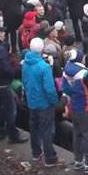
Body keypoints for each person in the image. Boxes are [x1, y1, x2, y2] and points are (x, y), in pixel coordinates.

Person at [21, 37, 60, 167]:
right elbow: (49, 88)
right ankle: (50, 158)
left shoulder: (26, 62)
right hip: (44, 103)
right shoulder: (44, 67)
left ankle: (36, 152)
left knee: (34, 128)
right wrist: (55, 101)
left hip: (31, 100)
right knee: (47, 130)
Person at [62, 48, 88, 173]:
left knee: (77, 134)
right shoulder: (85, 74)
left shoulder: (66, 69)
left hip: (74, 106)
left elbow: (65, 89)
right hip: (86, 107)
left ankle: (78, 161)